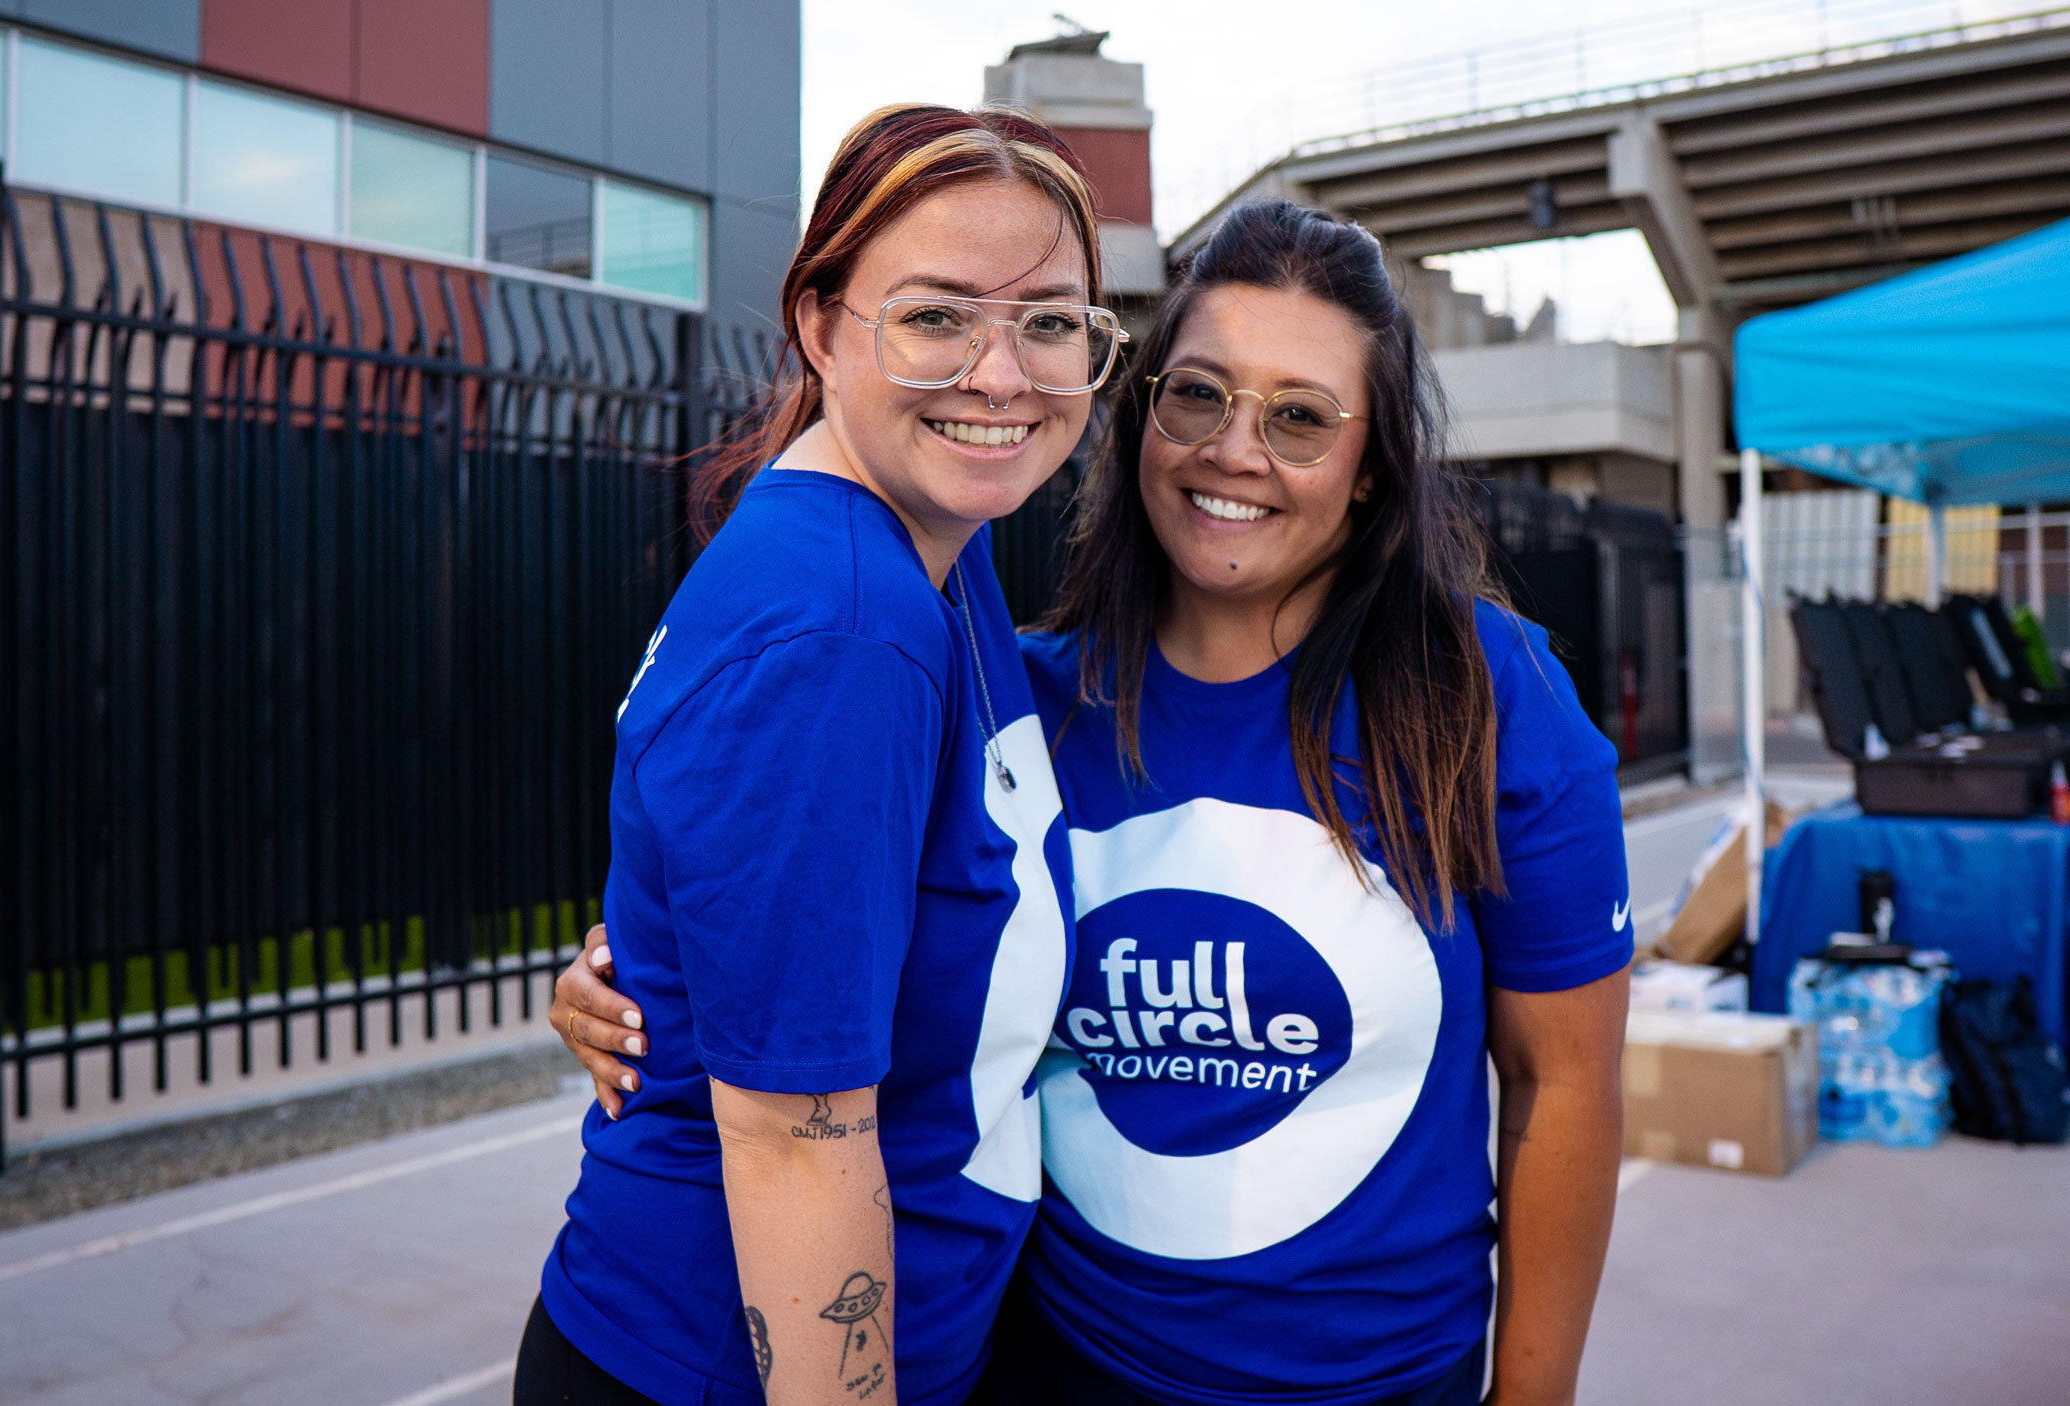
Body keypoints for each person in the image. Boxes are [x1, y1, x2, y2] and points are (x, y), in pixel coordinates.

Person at [553, 199, 1631, 1406]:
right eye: (1198, 394)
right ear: (1140, 411)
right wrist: (629, 976)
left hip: (1382, 1378)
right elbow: (790, 905)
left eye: (1299, 417)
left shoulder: (1485, 697)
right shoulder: (1019, 697)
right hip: (1048, 1363)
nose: (1235, 449)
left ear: (1372, 465)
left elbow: (1566, 1083)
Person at [516, 104, 1120, 1406]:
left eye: (1050, 320)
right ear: (820, 323)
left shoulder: (934, 540)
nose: (1002, 375)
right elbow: (797, 1141)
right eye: (937, 316)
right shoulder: (846, 626)